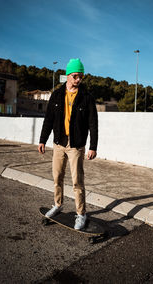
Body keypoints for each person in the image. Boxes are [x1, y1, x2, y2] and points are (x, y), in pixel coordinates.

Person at [38, 58, 98, 230]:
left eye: (81, 76)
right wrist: (42, 139)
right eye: (75, 76)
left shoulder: (87, 97)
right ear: (67, 76)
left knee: (77, 181)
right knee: (57, 177)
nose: (78, 80)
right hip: (59, 143)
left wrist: (93, 146)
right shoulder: (56, 95)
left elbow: (93, 123)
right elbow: (48, 119)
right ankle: (58, 205)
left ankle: (81, 214)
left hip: (76, 145)